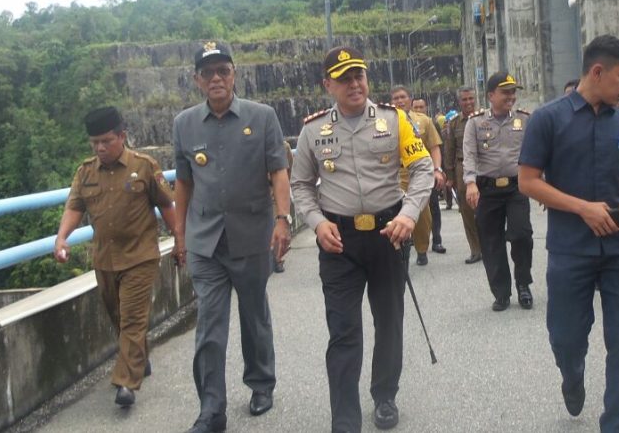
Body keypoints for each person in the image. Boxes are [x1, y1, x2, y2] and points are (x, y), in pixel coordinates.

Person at [291, 46, 434, 432]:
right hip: (338, 241)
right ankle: (345, 418)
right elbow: (301, 184)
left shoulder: (395, 119)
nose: (354, 84)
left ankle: (384, 395)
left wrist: (408, 214)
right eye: (344, 78)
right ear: (328, 85)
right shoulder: (312, 130)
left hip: (389, 235)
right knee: (343, 330)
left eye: (359, 76)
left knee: (389, 321)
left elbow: (423, 168)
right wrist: (317, 223)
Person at [518, 35, 619, 432]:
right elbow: (528, 181)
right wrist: (581, 208)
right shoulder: (548, 119)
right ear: (597, 71)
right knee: (566, 336)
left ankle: (617, 425)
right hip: (570, 249)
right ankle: (572, 377)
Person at [172, 42, 292, 433]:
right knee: (209, 324)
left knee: (254, 314)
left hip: (252, 235)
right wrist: (179, 234)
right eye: (208, 73)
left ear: (234, 74)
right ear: (197, 80)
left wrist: (282, 219)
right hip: (206, 240)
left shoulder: (262, 117)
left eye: (223, 70)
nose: (216, 79)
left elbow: (278, 172)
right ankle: (211, 409)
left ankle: (260, 383)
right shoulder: (184, 124)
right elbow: (184, 185)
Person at [54, 106, 177, 408]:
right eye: (94, 142)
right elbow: (75, 207)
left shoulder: (144, 166)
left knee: (133, 319)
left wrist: (180, 241)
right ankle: (139, 360)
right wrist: (62, 238)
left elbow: (167, 205)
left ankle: (126, 383)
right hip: (105, 259)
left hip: (140, 256)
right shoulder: (86, 172)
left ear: (122, 136)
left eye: (106, 141)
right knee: (119, 318)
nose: (100, 148)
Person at [463, 73, 534, 310]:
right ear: (491, 95)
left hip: (517, 187)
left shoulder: (525, 120)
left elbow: (536, 153)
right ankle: (501, 292)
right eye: (506, 92)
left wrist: (544, 182)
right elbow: (470, 155)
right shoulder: (475, 122)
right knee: (491, 242)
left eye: (513, 92)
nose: (511, 97)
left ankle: (523, 284)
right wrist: (470, 183)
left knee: (522, 234)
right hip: (487, 189)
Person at [390, 86, 446, 266]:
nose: (399, 101)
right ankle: (398, 252)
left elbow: (435, 147)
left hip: (417, 173)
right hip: (394, 175)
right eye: (396, 98)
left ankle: (422, 249)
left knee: (422, 215)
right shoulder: (384, 122)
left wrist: (437, 170)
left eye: (403, 97)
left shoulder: (424, 121)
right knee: (393, 214)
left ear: (410, 99)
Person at [443, 86, 484, 264]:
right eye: (465, 99)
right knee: (467, 212)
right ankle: (475, 249)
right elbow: (449, 150)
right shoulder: (454, 123)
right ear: (459, 102)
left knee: (486, 209)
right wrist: (450, 176)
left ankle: (489, 246)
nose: (468, 102)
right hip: (461, 168)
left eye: (471, 99)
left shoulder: (485, 118)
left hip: (484, 168)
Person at [412, 97, 447, 256]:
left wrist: (438, 169)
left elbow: (438, 147)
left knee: (433, 207)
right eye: (416, 107)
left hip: (428, 172)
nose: (418, 110)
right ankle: (416, 239)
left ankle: (437, 239)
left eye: (421, 107)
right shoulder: (405, 122)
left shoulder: (430, 123)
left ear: (426, 108)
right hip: (409, 173)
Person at [273, 140, 295, 274]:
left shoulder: (284, 146)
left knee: (278, 221)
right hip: (262, 191)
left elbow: (290, 168)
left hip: (277, 191)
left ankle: (278, 259)